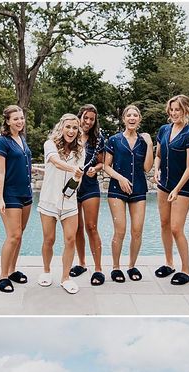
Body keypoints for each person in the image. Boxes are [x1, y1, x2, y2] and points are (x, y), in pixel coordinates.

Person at [104, 104, 153, 283]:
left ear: (139, 119)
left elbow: (147, 167)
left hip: (139, 189)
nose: (132, 118)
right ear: (124, 119)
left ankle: (132, 266)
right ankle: (116, 268)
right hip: (117, 190)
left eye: (135, 115)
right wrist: (121, 179)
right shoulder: (114, 140)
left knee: (137, 231)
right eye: (129, 115)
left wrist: (149, 144)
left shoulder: (143, 141)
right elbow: (106, 166)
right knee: (120, 231)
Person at [37, 114, 85, 294]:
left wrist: (77, 178)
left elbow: (77, 179)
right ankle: (46, 271)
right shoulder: (49, 144)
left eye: (75, 128)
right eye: (68, 127)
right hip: (49, 200)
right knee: (49, 239)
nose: (71, 131)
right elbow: (55, 162)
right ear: (61, 127)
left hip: (70, 202)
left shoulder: (81, 149)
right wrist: (73, 169)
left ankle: (66, 278)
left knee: (70, 240)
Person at [154, 94, 189, 285]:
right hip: (163, 185)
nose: (174, 113)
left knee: (176, 228)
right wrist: (156, 169)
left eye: (177, 109)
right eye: (171, 109)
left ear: (185, 110)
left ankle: (186, 270)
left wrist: (177, 189)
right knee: (164, 224)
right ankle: (169, 263)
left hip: (182, 187)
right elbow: (158, 154)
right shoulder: (164, 130)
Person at [0, 105, 33, 293]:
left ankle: (12, 270)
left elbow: (21, 164)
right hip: (10, 195)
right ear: (7, 121)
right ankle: (3, 276)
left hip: (26, 194)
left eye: (21, 118)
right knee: (13, 235)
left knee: (20, 235)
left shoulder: (21, 139)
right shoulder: (2, 142)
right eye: (15, 118)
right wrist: (0, 198)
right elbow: (0, 172)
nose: (20, 121)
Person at [70, 104, 105, 285]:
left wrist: (95, 169)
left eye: (92, 119)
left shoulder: (97, 138)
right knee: (76, 227)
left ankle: (98, 269)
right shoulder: (70, 135)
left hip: (90, 186)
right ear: (80, 117)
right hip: (72, 186)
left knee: (91, 227)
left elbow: (102, 163)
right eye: (86, 118)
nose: (88, 122)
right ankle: (81, 263)